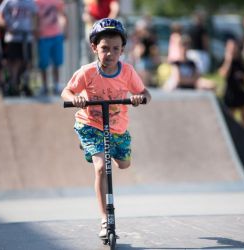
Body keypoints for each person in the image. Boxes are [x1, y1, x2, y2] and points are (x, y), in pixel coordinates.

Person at [61, 18, 151, 238]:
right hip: (90, 125)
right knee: (101, 167)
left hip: (117, 128)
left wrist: (140, 97)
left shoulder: (127, 72)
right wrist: (75, 100)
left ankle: (94, 149)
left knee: (124, 164)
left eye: (115, 49)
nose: (109, 54)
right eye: (104, 49)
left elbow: (145, 92)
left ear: (122, 51)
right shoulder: (87, 72)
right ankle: (105, 219)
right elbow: (66, 92)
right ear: (94, 48)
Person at [0, 0, 38, 96]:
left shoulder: (30, 2)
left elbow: (35, 15)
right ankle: (13, 85)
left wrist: (34, 29)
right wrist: (7, 26)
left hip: (27, 36)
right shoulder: (8, 1)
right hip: (13, 37)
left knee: (27, 61)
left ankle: (26, 84)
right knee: (14, 61)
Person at [35, 0, 68, 95]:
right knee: (43, 62)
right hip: (43, 36)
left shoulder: (58, 1)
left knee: (57, 62)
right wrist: (36, 31)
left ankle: (56, 84)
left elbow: (62, 15)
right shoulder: (37, 2)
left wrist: (65, 30)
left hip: (56, 35)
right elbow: (35, 17)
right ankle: (44, 86)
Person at [219, 37, 244, 128]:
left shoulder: (241, 61)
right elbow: (223, 74)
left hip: (241, 90)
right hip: (230, 91)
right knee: (230, 117)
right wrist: (228, 60)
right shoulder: (225, 60)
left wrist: (242, 76)